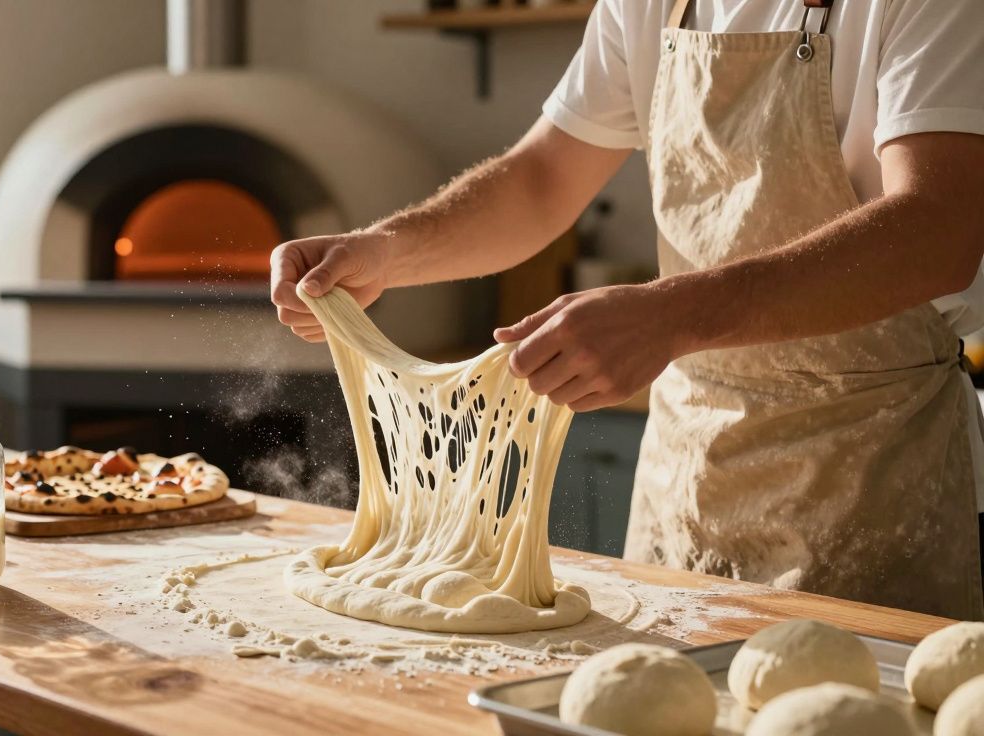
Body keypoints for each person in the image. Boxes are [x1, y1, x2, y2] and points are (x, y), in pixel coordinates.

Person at [269, 0, 984, 620]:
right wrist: (386, 250)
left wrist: (670, 316)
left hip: (875, 482)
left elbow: (938, 230)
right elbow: (543, 179)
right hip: (687, 479)